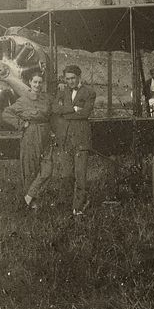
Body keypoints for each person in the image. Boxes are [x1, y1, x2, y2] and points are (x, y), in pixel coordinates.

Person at [3, 69, 53, 210]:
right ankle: (32, 204)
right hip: (30, 135)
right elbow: (6, 113)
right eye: (35, 82)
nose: (37, 85)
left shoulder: (47, 99)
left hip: (46, 135)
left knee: (47, 170)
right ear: (30, 83)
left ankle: (28, 197)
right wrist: (21, 124)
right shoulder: (23, 100)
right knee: (30, 169)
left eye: (40, 82)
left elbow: (54, 113)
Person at [51, 65, 96, 216]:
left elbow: (85, 113)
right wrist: (74, 109)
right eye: (67, 78)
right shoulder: (61, 91)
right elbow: (55, 109)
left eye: (72, 78)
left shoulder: (89, 92)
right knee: (66, 175)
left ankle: (79, 207)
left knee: (80, 175)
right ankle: (66, 206)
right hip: (65, 139)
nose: (70, 81)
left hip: (81, 139)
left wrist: (66, 112)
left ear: (79, 77)